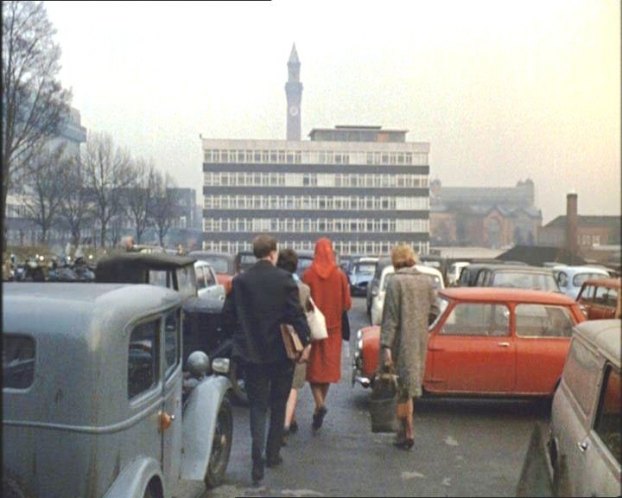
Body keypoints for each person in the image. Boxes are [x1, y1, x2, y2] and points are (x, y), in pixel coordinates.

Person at [222, 234, 311, 485]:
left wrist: (238, 338)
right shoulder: (285, 281)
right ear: (273, 253)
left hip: (250, 354)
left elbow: (227, 317)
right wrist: (304, 342)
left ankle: (256, 456)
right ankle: (272, 454)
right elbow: (296, 316)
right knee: (278, 403)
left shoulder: (240, 282)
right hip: (280, 354)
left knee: (257, 406)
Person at [379, 244, 439, 450]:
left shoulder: (395, 282)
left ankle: (406, 431)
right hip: (418, 340)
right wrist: (422, 324)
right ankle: (406, 429)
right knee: (409, 387)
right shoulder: (427, 281)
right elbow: (435, 309)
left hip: (399, 340)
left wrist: (386, 345)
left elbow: (390, 317)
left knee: (400, 387)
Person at [302, 237, 351, 431]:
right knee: (328, 371)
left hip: (314, 329)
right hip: (334, 329)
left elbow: (304, 302)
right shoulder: (340, 276)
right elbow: (347, 304)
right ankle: (319, 405)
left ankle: (319, 404)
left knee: (313, 370)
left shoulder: (308, 274)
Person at [276, 248, 312, 445]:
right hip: (295, 341)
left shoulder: (272, 285)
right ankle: (286, 424)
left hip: (274, 339)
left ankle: (283, 421)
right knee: (293, 386)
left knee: (277, 385)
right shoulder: (304, 289)